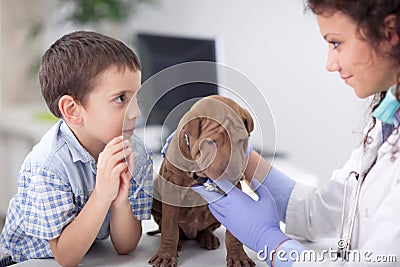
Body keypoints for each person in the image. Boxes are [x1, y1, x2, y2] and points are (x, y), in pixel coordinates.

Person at [192, 1, 400, 266]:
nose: (330, 63)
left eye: (336, 43)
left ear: (389, 33)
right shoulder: (387, 124)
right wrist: (242, 157)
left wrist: (269, 242)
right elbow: (325, 212)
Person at [0, 31, 153, 267]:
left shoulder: (135, 152)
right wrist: (102, 193)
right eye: (121, 99)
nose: (136, 113)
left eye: (136, 97)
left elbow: (125, 246)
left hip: (91, 252)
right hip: (24, 260)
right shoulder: (48, 164)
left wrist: (120, 201)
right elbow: (66, 256)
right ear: (72, 110)